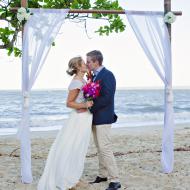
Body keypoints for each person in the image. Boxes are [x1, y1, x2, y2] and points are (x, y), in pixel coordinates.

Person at [37, 56, 93, 190]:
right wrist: (85, 105)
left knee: (79, 148)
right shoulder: (75, 83)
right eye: (84, 63)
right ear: (78, 67)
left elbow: (85, 95)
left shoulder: (83, 80)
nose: (86, 64)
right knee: (72, 147)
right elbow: (69, 103)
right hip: (78, 119)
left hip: (85, 117)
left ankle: (73, 176)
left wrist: (90, 80)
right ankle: (66, 178)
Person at [86, 50, 121, 190]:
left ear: (96, 61)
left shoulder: (108, 75)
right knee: (99, 148)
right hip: (95, 118)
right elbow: (93, 95)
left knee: (105, 148)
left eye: (88, 61)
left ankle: (115, 180)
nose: (87, 64)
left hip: (104, 117)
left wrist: (90, 108)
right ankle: (103, 174)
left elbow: (107, 97)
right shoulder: (94, 76)